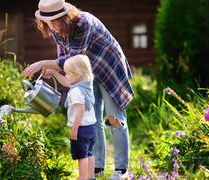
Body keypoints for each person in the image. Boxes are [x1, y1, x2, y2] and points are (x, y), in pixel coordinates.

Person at [23, 0, 134, 179]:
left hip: (109, 68)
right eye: (48, 23)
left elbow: (73, 59)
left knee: (114, 119)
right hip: (87, 74)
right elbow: (65, 63)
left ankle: (121, 169)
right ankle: (97, 166)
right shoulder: (56, 30)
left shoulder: (84, 23)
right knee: (92, 119)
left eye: (56, 21)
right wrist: (54, 72)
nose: (53, 27)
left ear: (65, 17)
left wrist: (43, 63)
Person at [43, 54, 96, 180]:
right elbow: (68, 82)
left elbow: (80, 111)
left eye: (68, 73)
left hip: (80, 128)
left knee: (81, 155)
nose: (66, 76)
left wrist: (74, 129)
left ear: (77, 75)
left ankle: (82, 177)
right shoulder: (86, 84)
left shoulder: (76, 92)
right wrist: (54, 73)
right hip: (91, 127)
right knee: (89, 153)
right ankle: (91, 177)